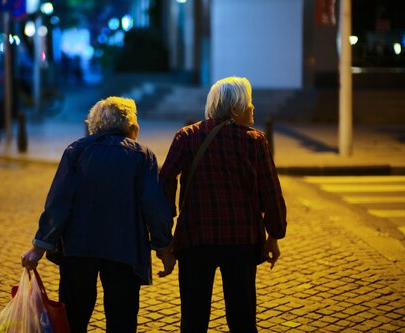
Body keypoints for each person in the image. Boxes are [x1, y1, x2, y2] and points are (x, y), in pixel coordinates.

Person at [22, 96, 176, 333]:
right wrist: (164, 247)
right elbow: (154, 206)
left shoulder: (77, 151)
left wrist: (39, 246)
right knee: (121, 319)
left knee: (74, 317)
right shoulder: (142, 156)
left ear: (93, 125)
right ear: (131, 126)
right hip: (125, 249)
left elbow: (59, 203)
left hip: (79, 247)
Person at [159, 77, 287, 332]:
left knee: (193, 319)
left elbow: (165, 181)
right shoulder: (255, 141)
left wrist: (164, 235)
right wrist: (274, 235)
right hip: (242, 241)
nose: (253, 107)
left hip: (196, 238)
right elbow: (271, 192)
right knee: (242, 318)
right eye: (248, 102)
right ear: (234, 109)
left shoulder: (187, 136)